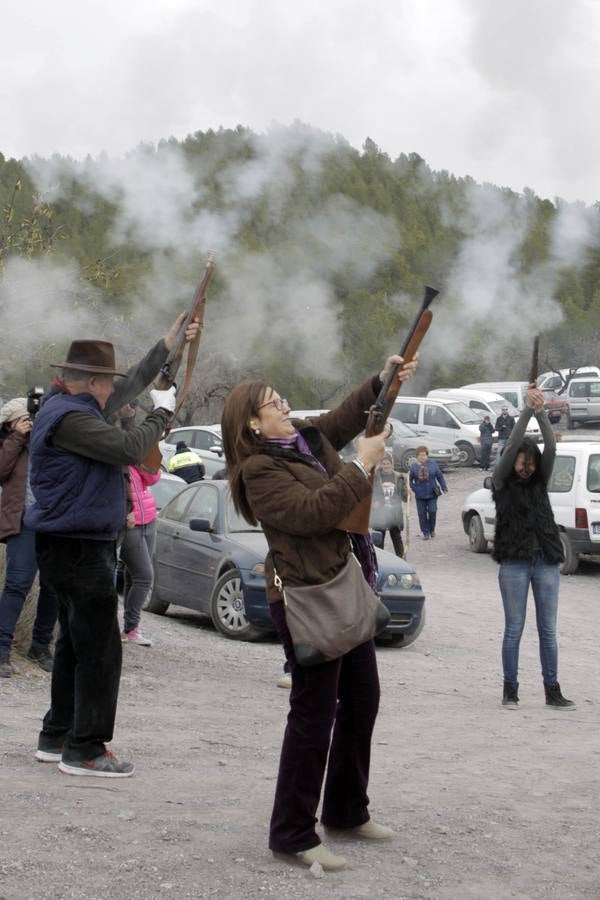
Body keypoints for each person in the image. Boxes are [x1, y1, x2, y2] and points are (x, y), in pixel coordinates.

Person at [221, 353, 417, 871]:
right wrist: (362, 464)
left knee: (362, 700)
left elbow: (345, 418)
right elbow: (313, 514)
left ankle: (347, 810)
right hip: (308, 599)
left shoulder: (303, 440)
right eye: (274, 405)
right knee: (312, 718)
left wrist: (382, 379)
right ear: (252, 424)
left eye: (283, 400)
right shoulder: (259, 471)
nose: (286, 408)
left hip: (341, 587)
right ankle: (291, 833)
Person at [26, 313, 200, 777]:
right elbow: (128, 450)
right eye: (107, 382)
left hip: (71, 545)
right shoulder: (71, 419)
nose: (113, 392)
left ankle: (58, 734)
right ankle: (86, 748)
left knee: (74, 646)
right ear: (91, 382)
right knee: (101, 650)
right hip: (81, 547)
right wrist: (162, 412)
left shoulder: (74, 408)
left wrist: (169, 344)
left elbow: (132, 386)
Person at [492, 384, 575, 711]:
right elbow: (512, 445)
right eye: (521, 462)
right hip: (513, 561)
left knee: (548, 631)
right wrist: (526, 410)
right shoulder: (501, 481)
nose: (525, 467)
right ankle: (510, 690)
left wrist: (540, 411)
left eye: (530, 462)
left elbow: (551, 443)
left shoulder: (541, 481)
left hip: (546, 560)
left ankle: (552, 690)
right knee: (514, 629)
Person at [0, 398, 58, 678]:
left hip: (53, 522)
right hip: (24, 521)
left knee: (53, 587)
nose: (31, 423)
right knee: (16, 585)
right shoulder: (11, 444)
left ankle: (40, 646)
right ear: (11, 423)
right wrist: (16, 437)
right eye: (24, 420)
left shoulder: (48, 439)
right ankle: (1, 650)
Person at [120, 464, 160, 646]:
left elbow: (153, 478)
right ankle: (131, 628)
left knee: (133, 575)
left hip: (149, 518)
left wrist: (145, 462)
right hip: (130, 523)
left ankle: (130, 627)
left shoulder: (138, 456)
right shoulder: (120, 457)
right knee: (144, 576)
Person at [370, 453, 407, 557]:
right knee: (379, 538)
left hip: (394, 513)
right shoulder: (376, 477)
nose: (386, 466)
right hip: (380, 512)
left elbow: (404, 498)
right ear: (381, 465)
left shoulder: (399, 477)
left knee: (396, 537)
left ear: (392, 464)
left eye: (388, 463)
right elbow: (371, 492)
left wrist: (407, 492)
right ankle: (379, 559)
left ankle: (401, 559)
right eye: (384, 464)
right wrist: (374, 502)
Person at [409, 446, 448, 540]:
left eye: (424, 455)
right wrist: (415, 489)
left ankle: (432, 529)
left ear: (427, 455)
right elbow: (409, 480)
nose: (423, 457)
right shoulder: (414, 467)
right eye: (420, 455)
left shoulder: (433, 464)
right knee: (422, 514)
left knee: (432, 511)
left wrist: (444, 487)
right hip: (420, 495)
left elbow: (440, 477)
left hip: (432, 493)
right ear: (417, 456)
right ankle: (425, 532)